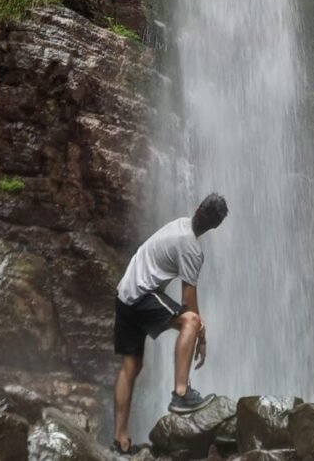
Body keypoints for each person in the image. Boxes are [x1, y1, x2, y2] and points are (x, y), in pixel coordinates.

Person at [111, 193, 229, 455]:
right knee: (192, 320)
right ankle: (181, 393)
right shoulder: (191, 247)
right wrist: (201, 334)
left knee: (131, 365)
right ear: (215, 227)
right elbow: (189, 303)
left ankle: (120, 438)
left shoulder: (179, 224)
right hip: (141, 296)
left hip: (124, 294)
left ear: (197, 208)